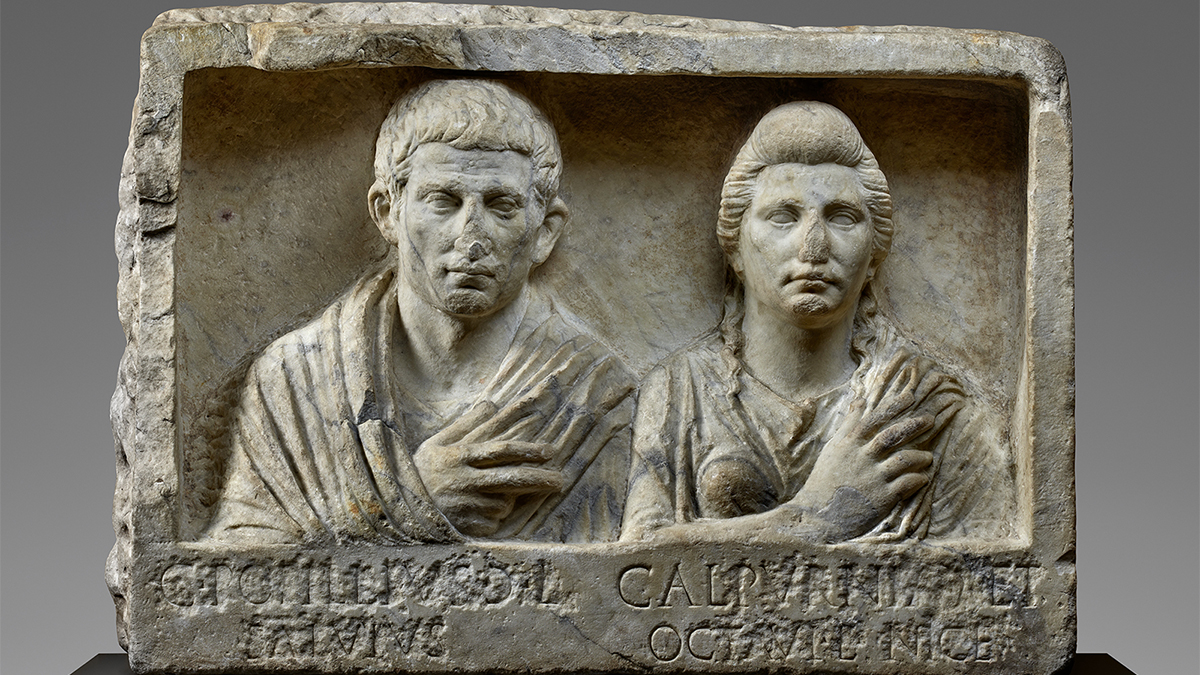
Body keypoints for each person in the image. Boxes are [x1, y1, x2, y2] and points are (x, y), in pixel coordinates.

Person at [205, 79, 634, 545]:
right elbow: (236, 581)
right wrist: (410, 502)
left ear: (546, 231)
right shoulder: (295, 381)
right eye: (444, 201)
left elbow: (599, 595)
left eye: (501, 205)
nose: (471, 236)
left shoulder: (594, 393)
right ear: (388, 211)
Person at [621, 101, 1015, 544]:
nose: (813, 247)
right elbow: (637, 564)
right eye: (783, 217)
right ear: (734, 248)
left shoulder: (931, 410)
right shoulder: (679, 391)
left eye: (842, 218)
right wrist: (817, 518)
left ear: (874, 253)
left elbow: (997, 586)